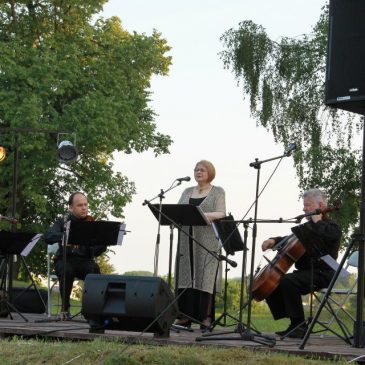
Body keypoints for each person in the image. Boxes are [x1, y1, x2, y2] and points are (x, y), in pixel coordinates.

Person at [261, 188, 342, 338]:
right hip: (306, 273)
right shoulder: (307, 227)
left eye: (308, 205)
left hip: (324, 274)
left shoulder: (333, 227)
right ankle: (294, 322)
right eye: (304, 205)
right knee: (275, 282)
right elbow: (291, 239)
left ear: (321, 206)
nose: (304, 209)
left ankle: (298, 325)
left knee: (287, 281)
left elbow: (328, 235)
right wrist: (274, 240)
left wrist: (318, 222)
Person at [175, 160, 226, 330]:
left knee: (205, 277)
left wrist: (202, 214)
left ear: (210, 173)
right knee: (185, 276)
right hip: (185, 238)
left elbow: (221, 213)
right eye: (196, 169)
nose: (198, 172)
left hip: (207, 240)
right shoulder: (187, 191)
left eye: (202, 170)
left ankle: (205, 318)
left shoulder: (218, 191)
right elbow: (177, 211)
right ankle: (184, 317)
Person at [44, 192, 106, 316]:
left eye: (85, 204)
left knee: (94, 268)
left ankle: (91, 310)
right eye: (79, 205)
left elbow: (97, 251)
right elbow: (48, 236)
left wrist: (102, 243)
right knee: (67, 270)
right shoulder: (63, 221)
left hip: (84, 261)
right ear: (71, 207)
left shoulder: (91, 224)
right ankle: (65, 308)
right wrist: (67, 236)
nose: (84, 208)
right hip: (64, 260)